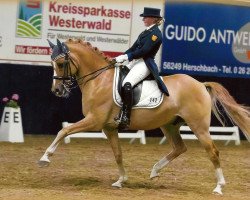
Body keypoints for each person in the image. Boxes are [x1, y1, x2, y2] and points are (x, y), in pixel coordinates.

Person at [114, 7, 169, 129]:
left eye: (146, 17)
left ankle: (126, 117)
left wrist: (128, 56)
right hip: (135, 61)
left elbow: (144, 51)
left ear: (154, 19)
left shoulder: (156, 34)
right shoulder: (145, 32)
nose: (143, 19)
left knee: (127, 83)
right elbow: (133, 48)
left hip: (145, 63)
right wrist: (121, 56)